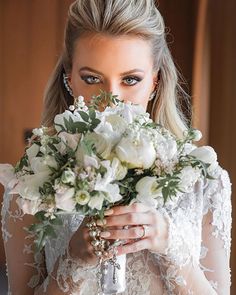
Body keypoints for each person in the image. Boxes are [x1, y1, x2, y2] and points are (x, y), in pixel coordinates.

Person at [1, 0, 232, 294]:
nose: (110, 100)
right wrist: (73, 259)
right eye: (92, 78)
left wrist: (170, 244)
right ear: (69, 78)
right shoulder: (30, 186)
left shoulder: (204, 181)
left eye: (131, 79)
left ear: (155, 81)